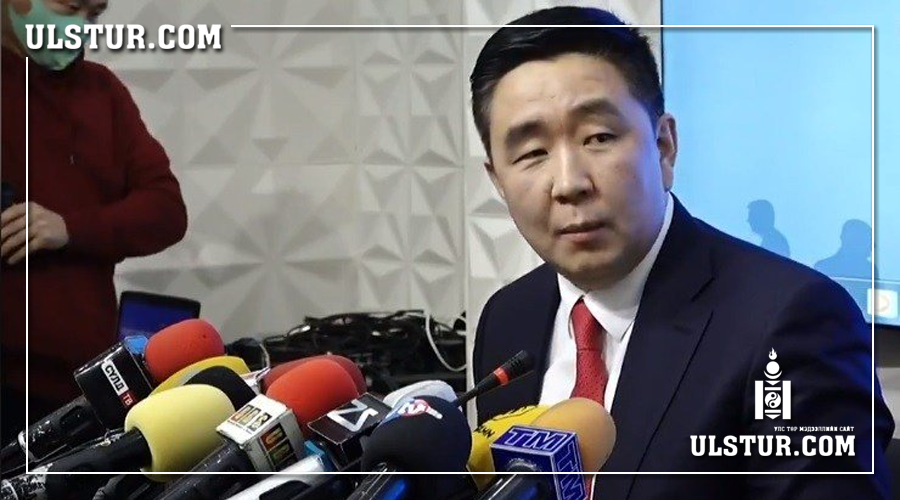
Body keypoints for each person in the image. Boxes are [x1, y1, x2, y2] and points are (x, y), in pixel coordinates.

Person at [469, 7, 893, 499]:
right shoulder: (508, 318)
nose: (569, 183)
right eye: (532, 153)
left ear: (664, 146)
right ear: (498, 180)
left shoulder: (792, 322)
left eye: (599, 137)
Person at [0, 0, 187, 444]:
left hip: (87, 385)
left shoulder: (101, 92)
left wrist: (71, 228)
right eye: (70, 6)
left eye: (94, 13)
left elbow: (166, 209)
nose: (80, 25)